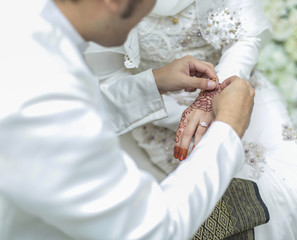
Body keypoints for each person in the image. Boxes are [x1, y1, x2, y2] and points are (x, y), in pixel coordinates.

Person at [84, 0, 297, 239]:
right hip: (163, 114)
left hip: (239, 81)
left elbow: (246, 36)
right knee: (247, 204)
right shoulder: (105, 8)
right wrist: (168, 96)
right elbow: (108, 82)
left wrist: (214, 97)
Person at [0, 0, 258, 239]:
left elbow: (79, 113)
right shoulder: (40, 101)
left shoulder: (26, 20)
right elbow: (154, 229)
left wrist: (152, 83)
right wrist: (228, 127)